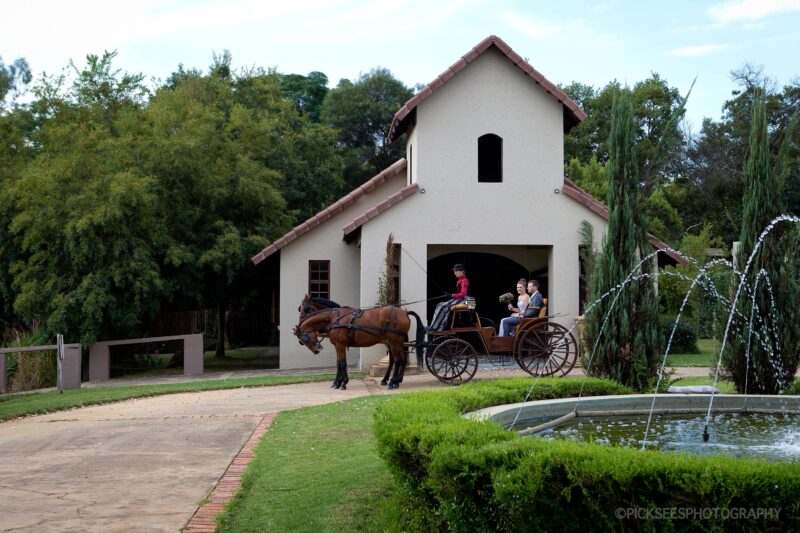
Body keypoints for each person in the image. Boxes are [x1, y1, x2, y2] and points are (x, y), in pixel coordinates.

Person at [427, 264, 470, 332]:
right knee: (439, 305)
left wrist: (451, 295)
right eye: (454, 271)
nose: (455, 273)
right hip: (460, 299)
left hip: (465, 300)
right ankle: (434, 326)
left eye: (456, 271)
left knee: (444, 306)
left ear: (462, 271)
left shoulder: (464, 280)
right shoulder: (459, 281)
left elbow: (463, 294)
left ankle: (438, 327)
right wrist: (450, 295)